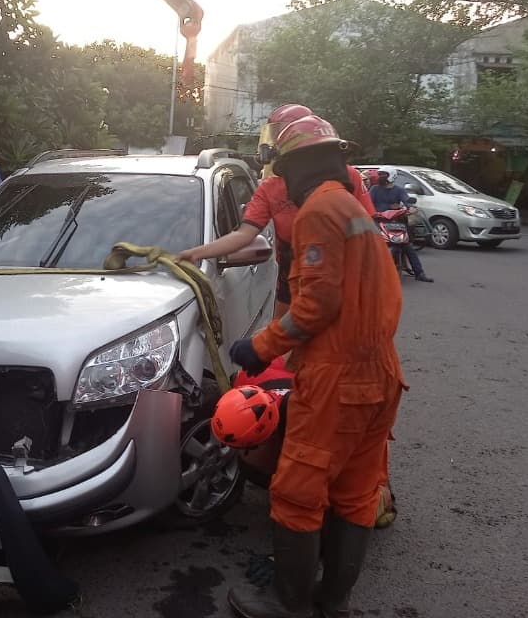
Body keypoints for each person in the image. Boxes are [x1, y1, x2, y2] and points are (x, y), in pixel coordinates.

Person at [225, 115, 406, 618]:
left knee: (297, 492)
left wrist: (261, 347)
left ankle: (291, 605)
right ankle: (333, 603)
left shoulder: (319, 211)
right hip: (380, 374)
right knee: (354, 493)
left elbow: (316, 304)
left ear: (298, 168)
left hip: (337, 380)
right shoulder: (353, 208)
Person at [178, 104, 374, 320]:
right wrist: (195, 253)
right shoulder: (270, 188)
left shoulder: (347, 177)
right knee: (285, 335)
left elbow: (369, 232)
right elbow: (244, 235)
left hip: (342, 272)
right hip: (291, 275)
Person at [370, 166, 434, 283]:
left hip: (395, 222)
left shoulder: (399, 190)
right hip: (379, 221)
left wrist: (411, 208)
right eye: (379, 175)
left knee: (408, 246)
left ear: (391, 176)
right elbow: (368, 203)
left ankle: (419, 273)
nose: (380, 177)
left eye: (383, 174)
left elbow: (407, 201)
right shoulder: (374, 189)